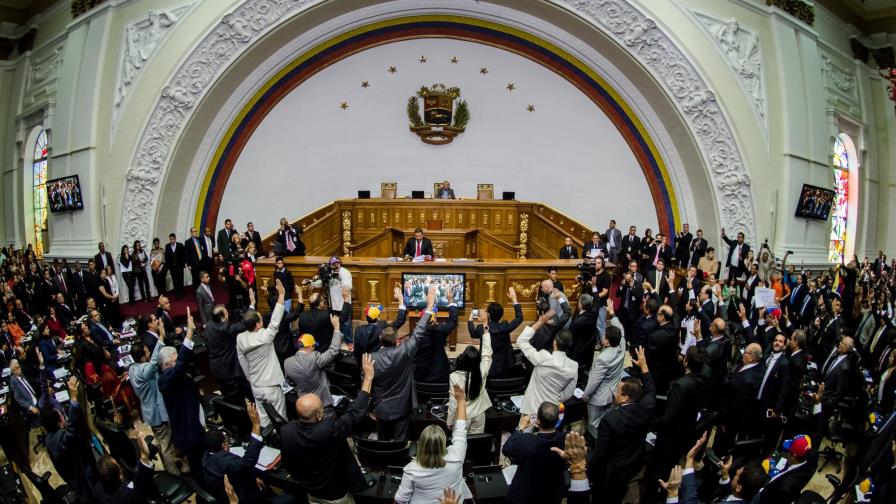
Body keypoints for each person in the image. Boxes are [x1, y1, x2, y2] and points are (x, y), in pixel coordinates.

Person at [280, 354, 376, 503]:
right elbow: (355, 413)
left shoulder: (286, 431)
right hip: (336, 495)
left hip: (311, 491)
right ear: (319, 415)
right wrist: (368, 378)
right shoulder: (328, 430)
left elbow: (289, 465)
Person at [588, 346, 656, 504]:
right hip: (634, 460)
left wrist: (588, 470)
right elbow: (651, 389)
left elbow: (601, 453)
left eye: (618, 391)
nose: (615, 392)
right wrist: (644, 367)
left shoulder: (611, 419)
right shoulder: (647, 406)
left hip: (613, 469)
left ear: (625, 398)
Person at [371, 287, 435, 440]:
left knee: (383, 442)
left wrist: (370, 408)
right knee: (400, 443)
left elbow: (367, 386)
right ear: (396, 340)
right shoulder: (405, 350)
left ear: (380, 339)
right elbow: (419, 331)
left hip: (381, 409)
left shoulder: (370, 359)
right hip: (402, 407)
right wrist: (430, 307)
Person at [395, 385, 470, 503]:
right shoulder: (457, 456)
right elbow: (461, 429)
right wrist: (461, 401)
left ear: (421, 445)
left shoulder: (411, 470)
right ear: (443, 444)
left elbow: (400, 500)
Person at [157, 308, 205, 477]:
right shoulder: (165, 378)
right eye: (175, 360)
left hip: (194, 421)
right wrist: (189, 333)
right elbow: (180, 368)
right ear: (165, 365)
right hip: (187, 431)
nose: (178, 362)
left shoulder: (171, 373)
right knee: (198, 466)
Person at [236, 279, 287, 428]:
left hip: (256, 385)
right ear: (258, 324)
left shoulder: (240, 338)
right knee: (280, 420)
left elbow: (241, 359)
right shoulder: (265, 336)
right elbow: (275, 320)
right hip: (271, 386)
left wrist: (249, 377)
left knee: (264, 421)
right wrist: (282, 295)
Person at [128, 330, 180, 475]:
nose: (149, 352)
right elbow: (152, 364)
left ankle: (168, 467)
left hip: (148, 411)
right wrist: (161, 338)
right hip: (157, 413)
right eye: (146, 351)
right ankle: (174, 474)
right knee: (166, 446)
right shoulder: (145, 370)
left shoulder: (132, 369)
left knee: (160, 442)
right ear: (143, 355)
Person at [662, 433, 767, 504]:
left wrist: (672, 493)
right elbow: (733, 493)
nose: (734, 473)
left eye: (736, 476)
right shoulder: (753, 494)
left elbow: (690, 501)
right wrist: (725, 474)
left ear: (739, 487)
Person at [44, 376, 99, 503]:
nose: (65, 418)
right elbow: (71, 430)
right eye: (62, 416)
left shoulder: (48, 439)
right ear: (58, 423)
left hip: (71, 475)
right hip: (82, 476)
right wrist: (73, 398)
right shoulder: (62, 438)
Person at [502, 402, 567, 504]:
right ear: (558, 420)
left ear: (538, 420)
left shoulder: (525, 440)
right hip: (552, 494)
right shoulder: (565, 439)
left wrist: (520, 427)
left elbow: (506, 449)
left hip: (524, 495)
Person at [517, 311, 578, 416]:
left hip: (532, 408)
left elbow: (521, 340)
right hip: (552, 410)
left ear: (554, 342)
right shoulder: (574, 366)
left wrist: (539, 322)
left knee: (525, 431)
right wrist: (554, 398)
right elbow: (568, 393)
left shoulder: (544, 357)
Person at [203, 401, 265, 504]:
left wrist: (252, 477)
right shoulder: (227, 461)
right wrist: (256, 425)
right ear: (224, 445)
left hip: (229, 489)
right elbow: (247, 462)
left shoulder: (206, 456)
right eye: (227, 441)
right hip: (243, 497)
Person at [284, 314, 343, 415]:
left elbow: (289, 382)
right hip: (322, 405)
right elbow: (333, 350)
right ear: (310, 346)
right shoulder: (314, 358)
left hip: (304, 406)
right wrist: (336, 328)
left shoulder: (287, 362)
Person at [205, 295, 253, 405]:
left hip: (217, 369)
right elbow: (245, 324)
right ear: (222, 318)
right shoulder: (226, 329)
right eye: (226, 314)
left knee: (229, 394)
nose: (228, 315)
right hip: (229, 371)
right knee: (236, 401)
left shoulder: (208, 325)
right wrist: (251, 306)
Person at [448, 319, 492, 433]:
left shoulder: (454, 377)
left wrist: (450, 420)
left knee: (459, 444)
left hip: (462, 416)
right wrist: (485, 328)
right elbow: (487, 353)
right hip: (479, 415)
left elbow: (453, 402)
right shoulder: (482, 370)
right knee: (476, 446)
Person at [468, 288, 523, 377]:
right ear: (501, 314)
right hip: (505, 365)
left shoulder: (481, 328)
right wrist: (514, 300)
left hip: (486, 366)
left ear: (488, 315)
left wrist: (471, 317)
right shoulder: (505, 326)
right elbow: (519, 318)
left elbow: (473, 334)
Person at [582, 323, 625, 428]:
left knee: (594, 425)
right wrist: (613, 314)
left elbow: (594, 381)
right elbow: (621, 329)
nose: (602, 337)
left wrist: (586, 395)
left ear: (607, 341)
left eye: (604, 335)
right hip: (613, 394)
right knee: (606, 422)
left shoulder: (603, 359)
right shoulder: (622, 344)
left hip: (598, 398)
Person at [414, 285, 458, 384]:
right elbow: (453, 320)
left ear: (421, 321)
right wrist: (450, 301)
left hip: (421, 376)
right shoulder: (441, 330)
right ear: (435, 320)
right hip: (440, 373)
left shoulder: (415, 334)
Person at [94, 433, 155, 504]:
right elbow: (139, 493)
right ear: (120, 475)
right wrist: (144, 457)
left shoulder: (98, 488)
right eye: (119, 467)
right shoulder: (127, 497)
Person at [757, 435, 817, 503]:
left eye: (788, 451)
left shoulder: (785, 487)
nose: (786, 453)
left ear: (793, 456)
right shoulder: (813, 457)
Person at [164, 233, 186, 298]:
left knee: (180, 280)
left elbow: (183, 255)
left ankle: (181, 293)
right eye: (170, 239)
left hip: (179, 266)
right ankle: (176, 293)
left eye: (173, 239)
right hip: (172, 267)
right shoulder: (167, 246)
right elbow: (166, 257)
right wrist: (168, 266)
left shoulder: (180, 245)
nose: (171, 241)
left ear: (175, 239)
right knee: (174, 280)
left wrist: (183, 264)